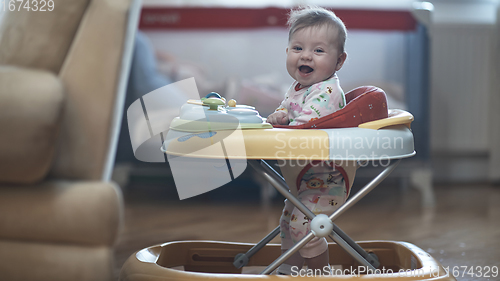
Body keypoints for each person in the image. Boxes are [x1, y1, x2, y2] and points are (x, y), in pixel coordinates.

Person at [266, 6, 348, 275]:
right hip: (304, 177)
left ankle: (320, 274)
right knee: (288, 222)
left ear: (339, 61)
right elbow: (287, 110)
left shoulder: (326, 91)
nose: (306, 56)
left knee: (304, 227)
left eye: (319, 51)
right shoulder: (299, 88)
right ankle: (289, 271)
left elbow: (306, 127)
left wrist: (284, 128)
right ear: (287, 52)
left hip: (329, 179)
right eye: (298, 48)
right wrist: (278, 117)